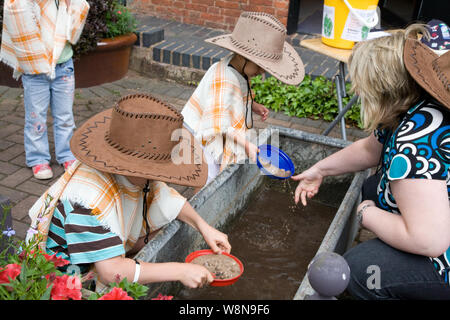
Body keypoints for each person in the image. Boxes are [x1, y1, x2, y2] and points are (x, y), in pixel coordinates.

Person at [292, 20, 450, 299]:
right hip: (435, 219)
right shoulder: (411, 106)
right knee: (371, 186)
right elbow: (369, 150)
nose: (357, 90)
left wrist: (367, 213)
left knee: (358, 270)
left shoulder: (413, 142)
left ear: (382, 89)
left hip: (441, 256)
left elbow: (430, 241)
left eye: (361, 84)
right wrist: (319, 169)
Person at [26, 93, 232, 292]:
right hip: (63, 278)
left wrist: (204, 227)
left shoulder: (133, 174)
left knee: (162, 224)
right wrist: (181, 271)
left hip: (92, 253)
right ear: (135, 167)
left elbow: (168, 199)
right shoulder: (87, 200)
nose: (162, 177)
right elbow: (111, 272)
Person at [182, 11, 305, 185]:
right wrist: (247, 145)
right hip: (200, 131)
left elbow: (233, 99)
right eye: (260, 67)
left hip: (212, 125)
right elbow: (220, 124)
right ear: (242, 55)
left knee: (212, 173)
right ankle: (199, 207)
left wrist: (253, 105)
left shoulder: (238, 68)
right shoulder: (225, 79)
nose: (262, 72)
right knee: (207, 176)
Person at [0, 0, 90, 180]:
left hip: (63, 65)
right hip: (35, 70)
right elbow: (15, 14)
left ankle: (66, 155)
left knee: (65, 116)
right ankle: (38, 158)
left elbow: (76, 17)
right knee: (36, 118)